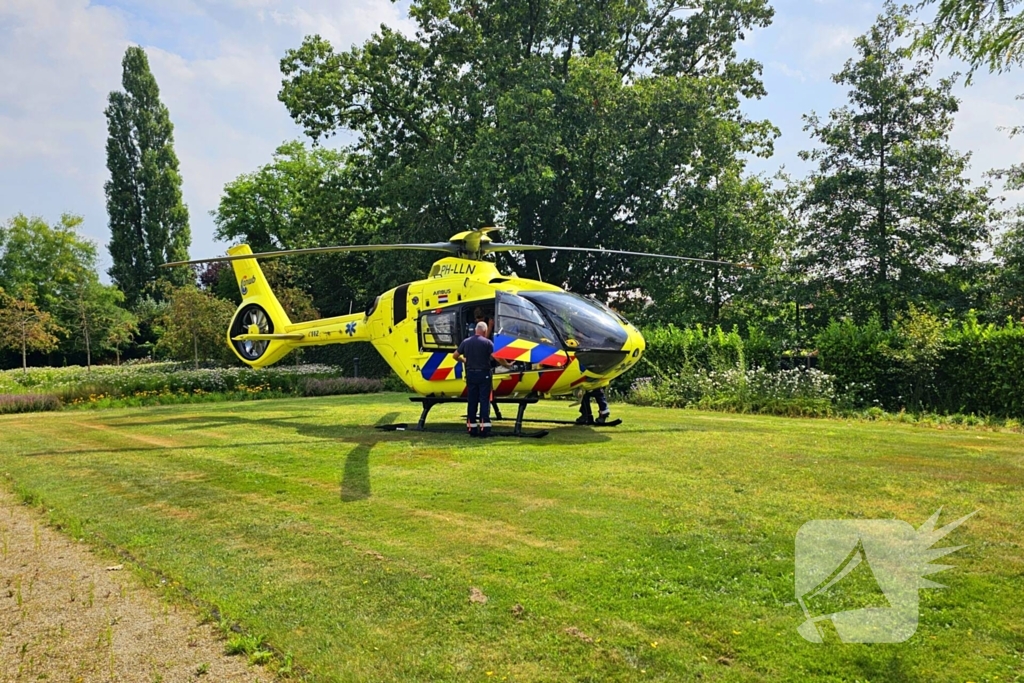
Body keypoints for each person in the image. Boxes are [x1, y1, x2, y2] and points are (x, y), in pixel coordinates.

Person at [454, 322, 509, 437]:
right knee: (484, 400)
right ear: (484, 331)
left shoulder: (466, 342)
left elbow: (455, 355)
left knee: (472, 400)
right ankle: (485, 428)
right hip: (484, 374)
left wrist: (464, 360)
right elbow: (497, 357)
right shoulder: (488, 343)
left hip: (471, 374)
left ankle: (471, 428)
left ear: (475, 330)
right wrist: (507, 365)